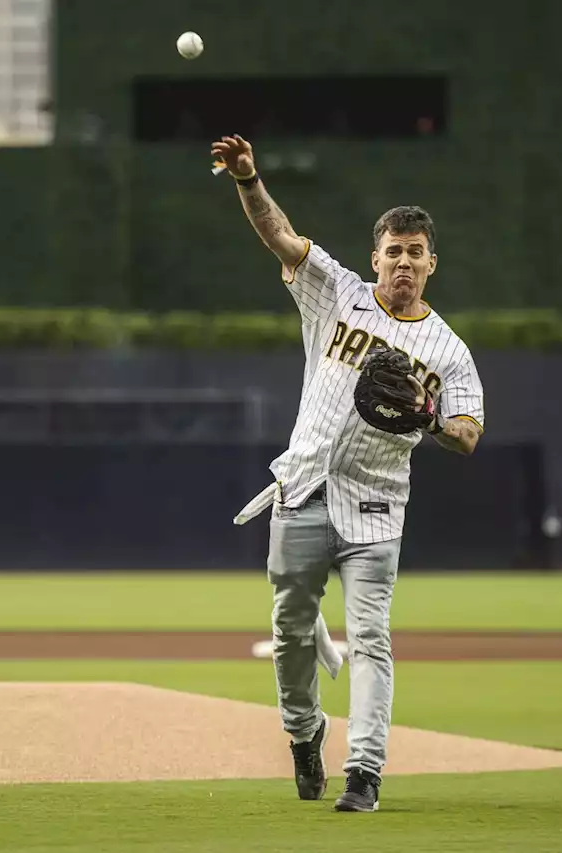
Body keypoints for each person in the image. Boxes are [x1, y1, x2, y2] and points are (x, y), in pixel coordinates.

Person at [210, 134, 485, 813]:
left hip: (375, 507)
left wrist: (429, 419)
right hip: (302, 487)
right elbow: (279, 235)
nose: (403, 262)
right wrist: (249, 178)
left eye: (415, 252)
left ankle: (365, 771)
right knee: (292, 631)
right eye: (393, 250)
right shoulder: (336, 291)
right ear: (375, 258)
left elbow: (470, 433)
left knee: (370, 636)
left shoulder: (448, 350)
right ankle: (305, 735)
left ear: (431, 264)